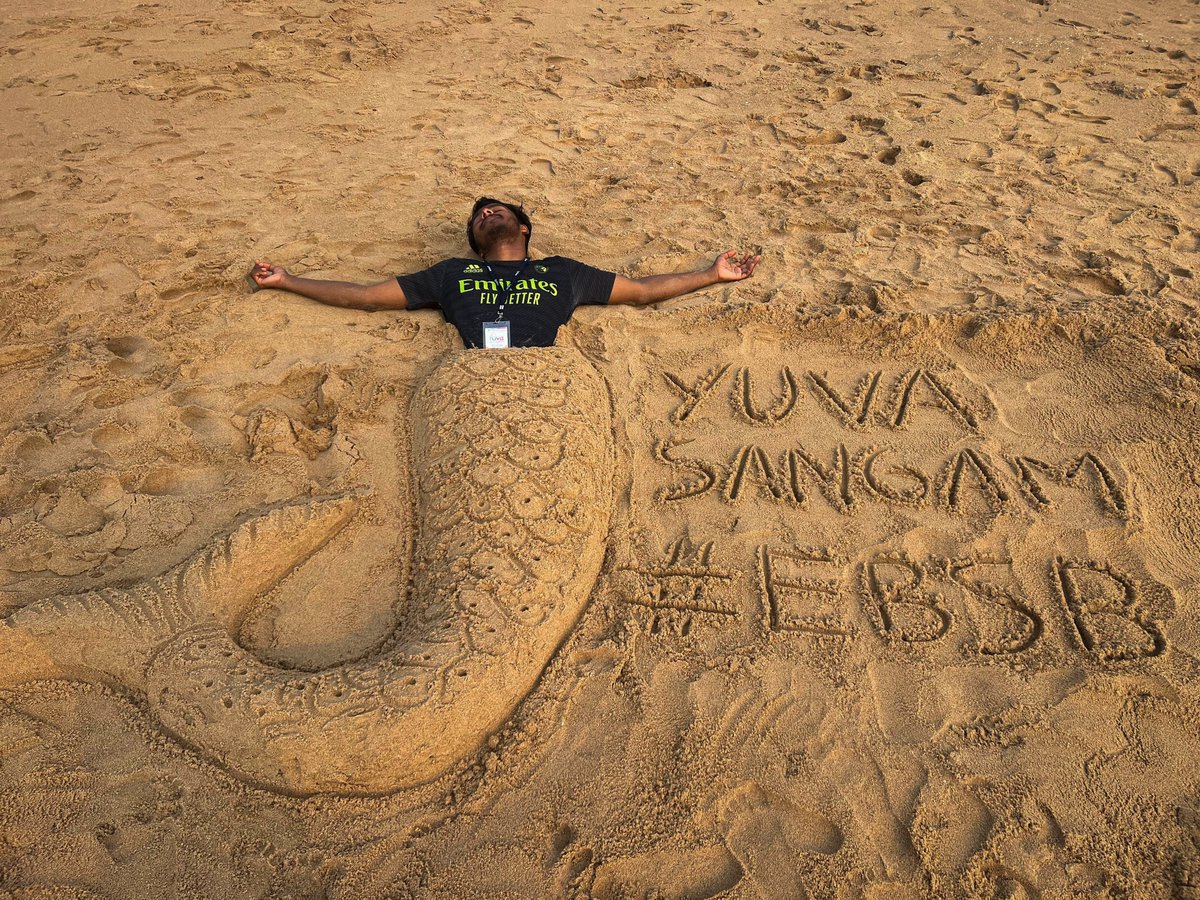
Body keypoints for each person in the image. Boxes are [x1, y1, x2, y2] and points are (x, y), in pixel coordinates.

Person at [250, 197, 762, 349]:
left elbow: (644, 292)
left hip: (541, 374)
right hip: (476, 373)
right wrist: (289, 280)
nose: (485, 214)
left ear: (523, 227)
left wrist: (711, 274)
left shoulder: (563, 273)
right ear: (475, 241)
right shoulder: (451, 274)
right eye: (478, 216)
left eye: (496, 210)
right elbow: (362, 296)